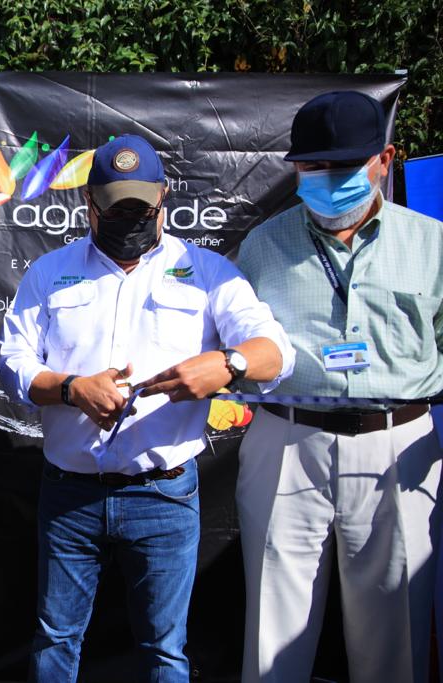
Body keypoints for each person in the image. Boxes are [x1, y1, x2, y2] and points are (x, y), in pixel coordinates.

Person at [0, 134, 294, 682]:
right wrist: (71, 388)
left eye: (141, 208)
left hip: (164, 494)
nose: (130, 220)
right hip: (70, 494)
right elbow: (12, 362)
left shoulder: (208, 272)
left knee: (165, 649)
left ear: (163, 197)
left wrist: (227, 364)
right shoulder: (49, 272)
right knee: (56, 639)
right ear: (89, 203)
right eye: (116, 209)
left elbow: (276, 353)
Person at [235, 91, 443, 683]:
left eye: (345, 166)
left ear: (385, 159)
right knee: (272, 632)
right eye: (313, 166)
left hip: (398, 446)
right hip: (286, 441)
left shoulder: (432, 244)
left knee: (395, 636)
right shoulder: (263, 246)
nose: (329, 180)